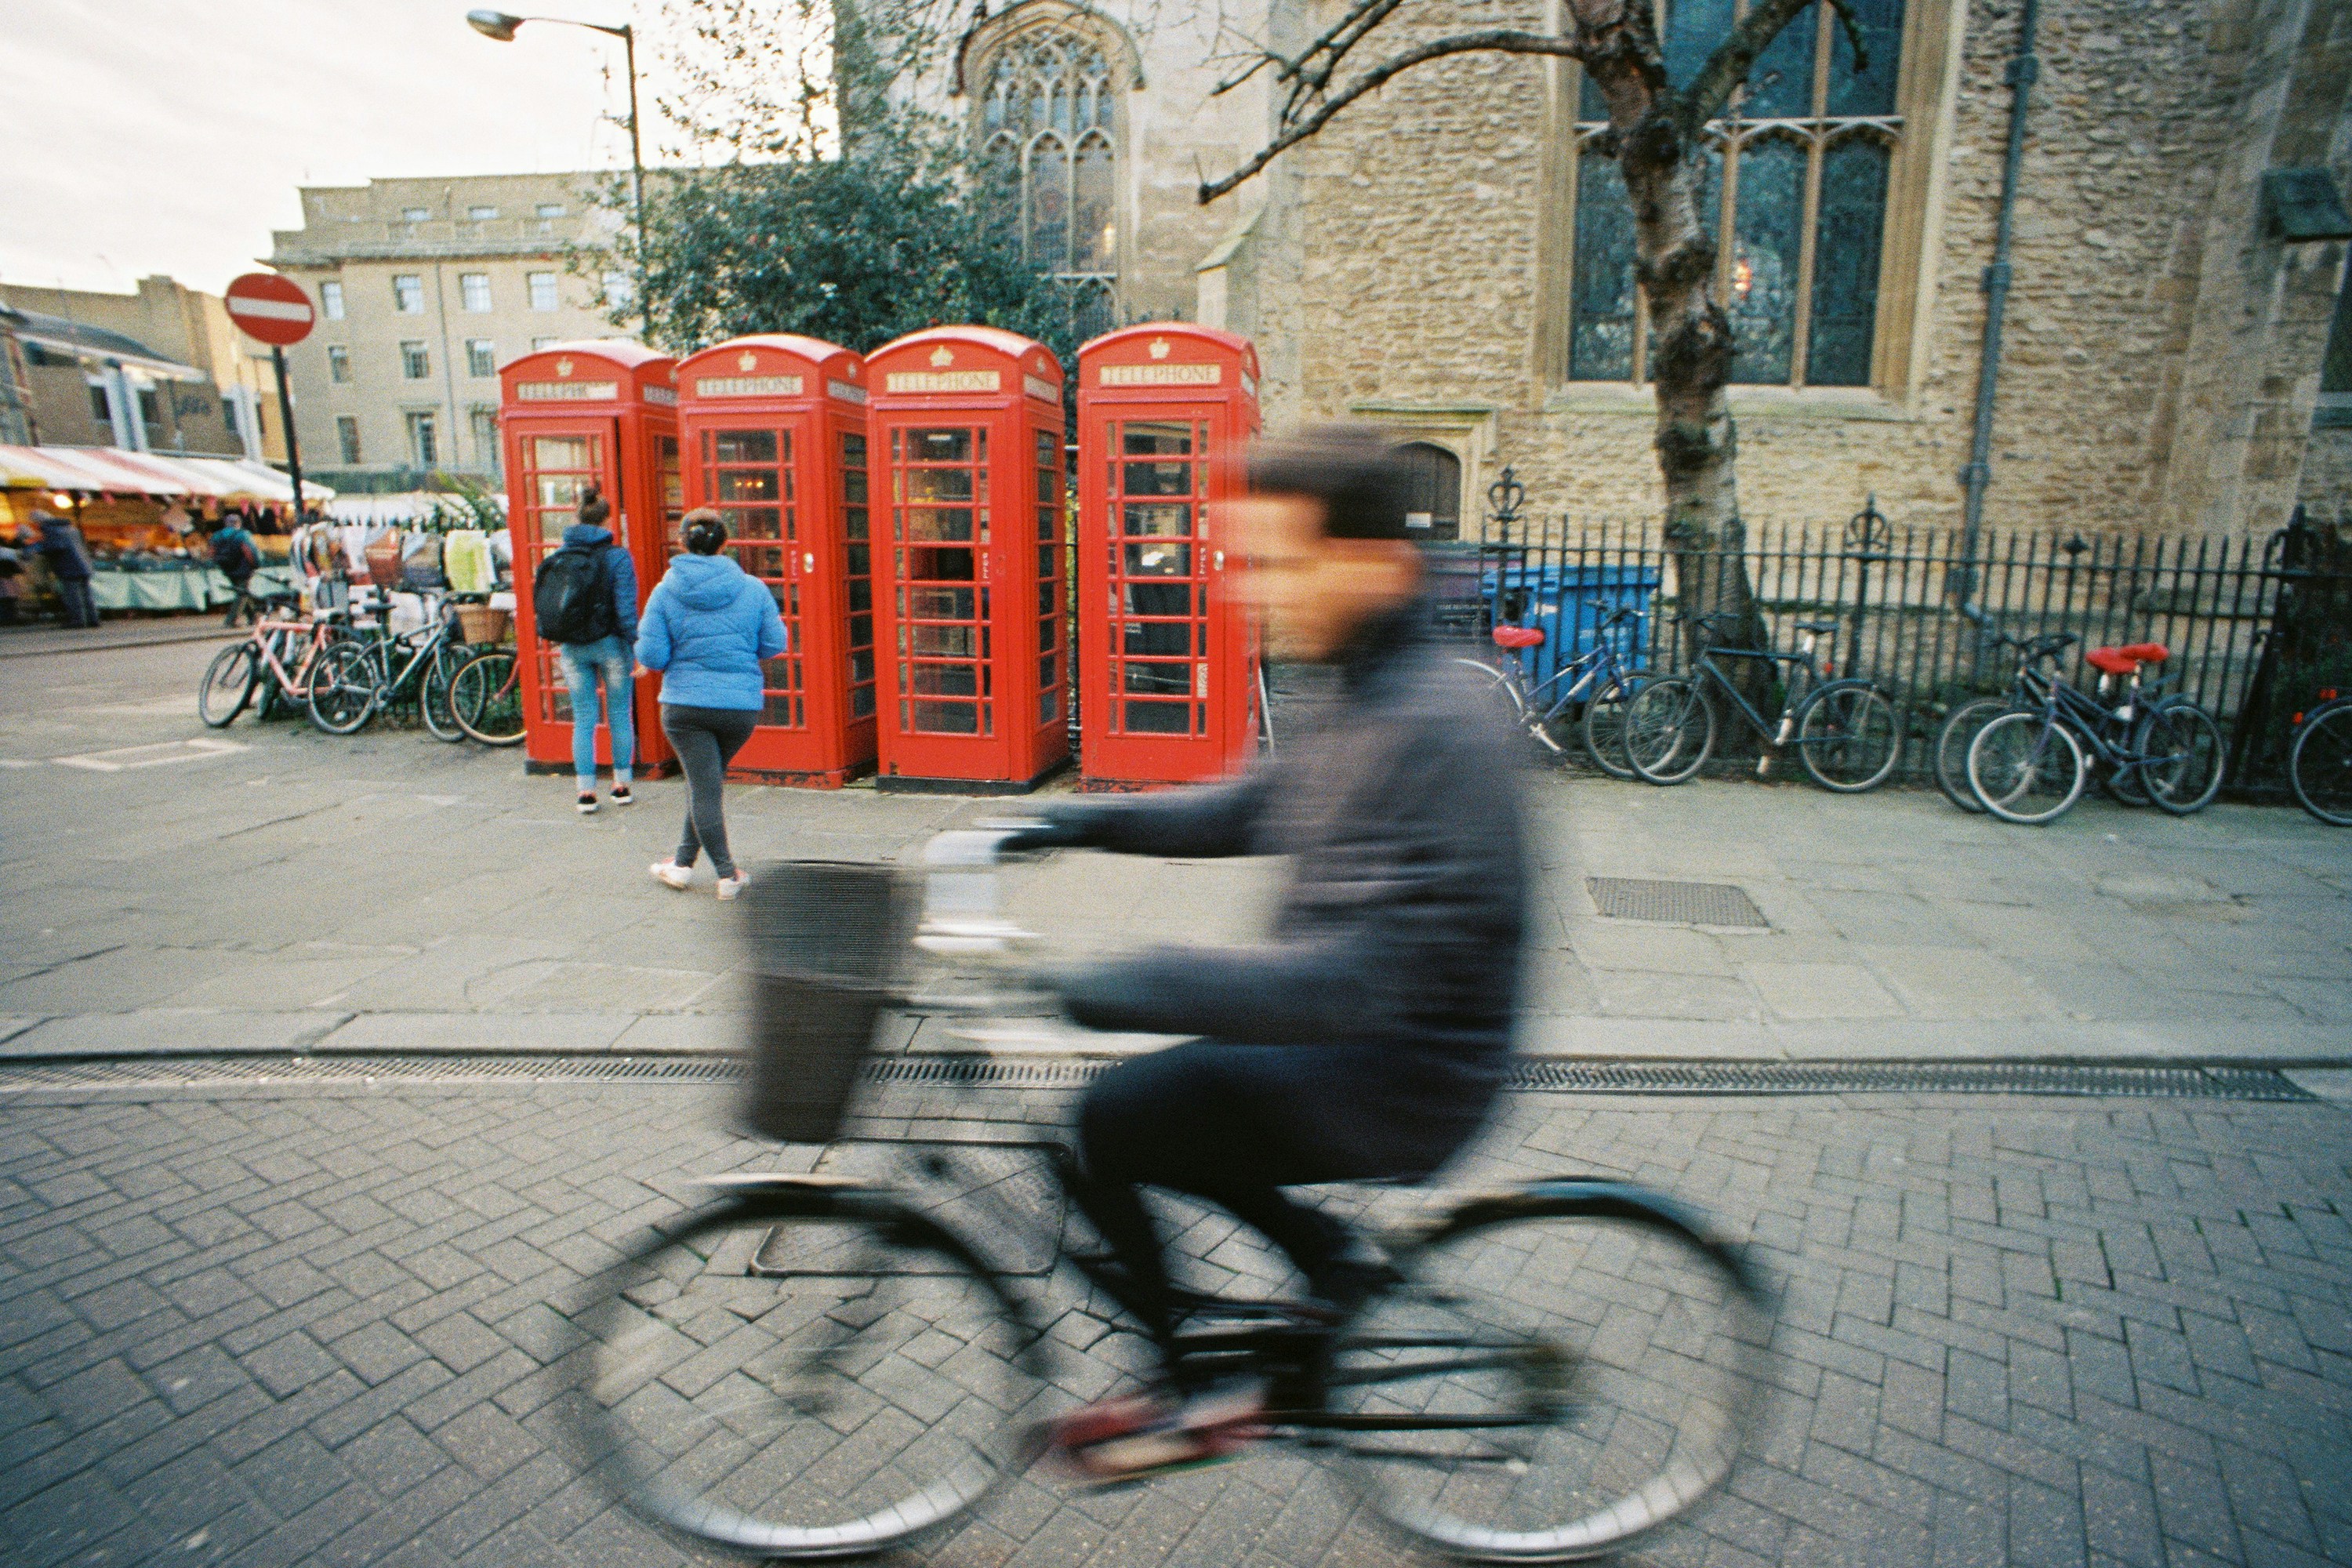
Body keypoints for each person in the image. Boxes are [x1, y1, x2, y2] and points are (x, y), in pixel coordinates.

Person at [1007, 426, 1530, 1472]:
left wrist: (1126, 984)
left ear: (1375, 564)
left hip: (1402, 1072)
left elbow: (1362, 981)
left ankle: (1185, 1386)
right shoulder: (1368, 683)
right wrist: (1077, 823)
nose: (1248, 590)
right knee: (1149, 1114)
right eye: (1241, 560)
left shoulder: (1445, 723)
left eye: (1276, 562)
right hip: (1348, 1041)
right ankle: (1320, 1266)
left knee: (1115, 1117)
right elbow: (1253, 806)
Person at [637, 509, 786, 898]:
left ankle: (727, 874)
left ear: (682, 543)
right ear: (725, 543)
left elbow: (652, 656)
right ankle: (682, 865)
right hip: (739, 708)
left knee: (703, 787)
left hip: (685, 706)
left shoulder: (665, 591)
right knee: (705, 782)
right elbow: (774, 644)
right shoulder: (752, 588)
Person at [534, 486, 640, 814]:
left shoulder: (558, 557)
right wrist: (637, 644)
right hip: (610, 645)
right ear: (607, 520)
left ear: (576, 517)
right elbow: (625, 610)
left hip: (572, 647)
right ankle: (621, 786)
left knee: (584, 719)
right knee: (620, 714)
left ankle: (585, 793)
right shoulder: (618, 557)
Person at [34, 511, 96, 629]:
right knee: (86, 594)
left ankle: (78, 620)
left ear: (39, 521)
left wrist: (40, 548)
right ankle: (93, 619)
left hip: (68, 566)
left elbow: (56, 547)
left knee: (72, 595)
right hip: (83, 565)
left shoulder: (50, 529)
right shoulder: (71, 528)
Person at [209, 509, 260, 626]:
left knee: (242, 591)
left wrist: (219, 562)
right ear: (238, 523)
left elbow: (212, 552)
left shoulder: (217, 535)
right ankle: (231, 620)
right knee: (242, 594)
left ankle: (254, 617)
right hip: (243, 568)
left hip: (227, 567)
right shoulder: (242, 534)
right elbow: (248, 551)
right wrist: (254, 565)